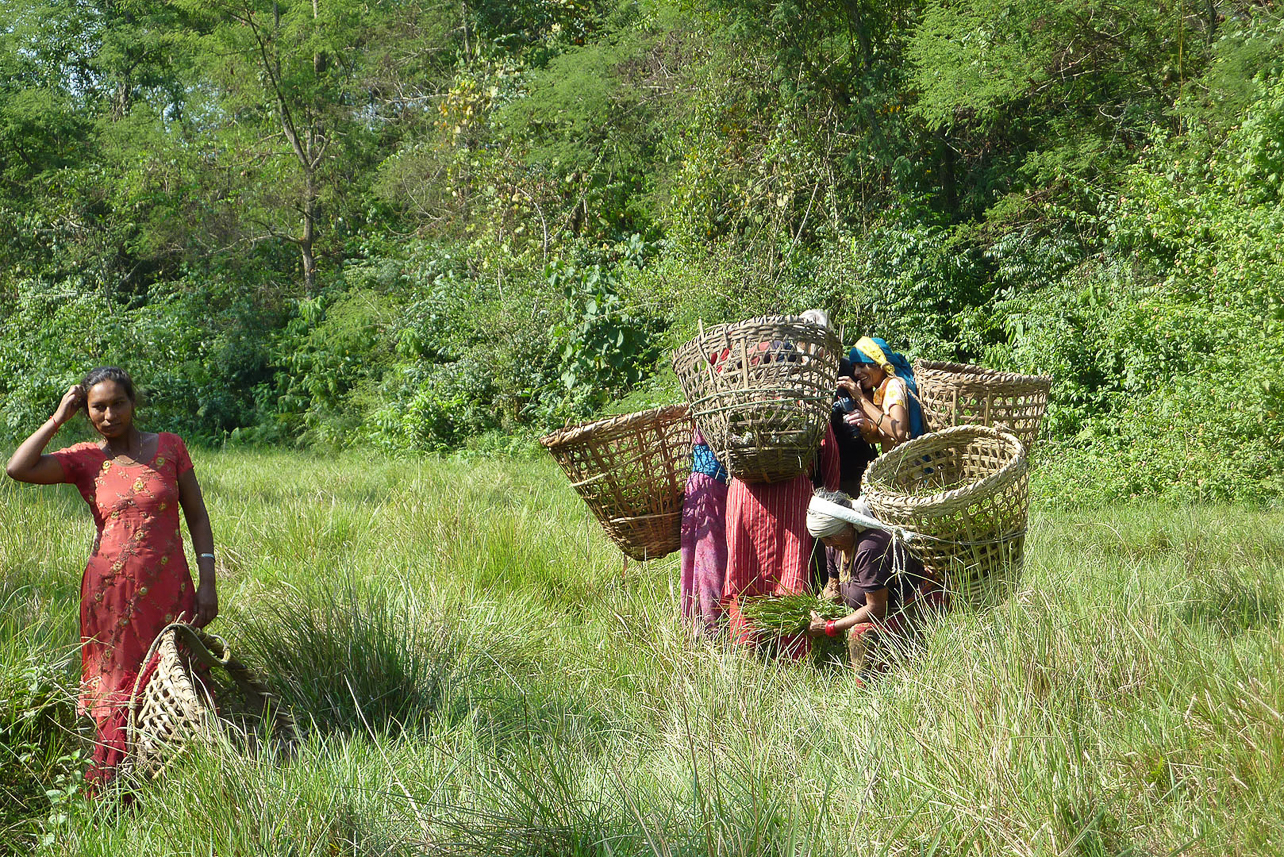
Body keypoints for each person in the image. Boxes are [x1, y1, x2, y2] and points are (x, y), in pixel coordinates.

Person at [5, 367, 218, 789]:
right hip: (111, 596)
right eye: (97, 407)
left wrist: (208, 579)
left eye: (117, 403)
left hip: (170, 588)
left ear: (132, 402)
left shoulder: (170, 447)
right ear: (86, 413)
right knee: (118, 686)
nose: (109, 414)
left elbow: (197, 515)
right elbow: (17, 468)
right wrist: (56, 420)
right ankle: (117, 784)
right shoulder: (85, 458)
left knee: (177, 675)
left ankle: (184, 776)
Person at [721, 310, 842, 656]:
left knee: (745, 574)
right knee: (789, 578)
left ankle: (747, 652)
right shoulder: (805, 397)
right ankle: (790, 656)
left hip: (744, 495)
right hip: (791, 497)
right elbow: (828, 450)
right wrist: (829, 497)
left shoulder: (742, 399)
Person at [804, 490, 940, 675]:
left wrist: (830, 627)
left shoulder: (869, 548)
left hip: (911, 607)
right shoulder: (834, 546)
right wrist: (811, 610)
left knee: (859, 633)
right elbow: (832, 587)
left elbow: (876, 608)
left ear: (849, 525)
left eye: (830, 536)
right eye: (823, 539)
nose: (827, 544)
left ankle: (871, 688)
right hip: (884, 610)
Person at [679, 430, 729, 635]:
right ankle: (712, 629)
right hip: (708, 486)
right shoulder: (710, 405)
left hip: (717, 485)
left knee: (715, 558)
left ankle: (715, 625)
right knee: (710, 560)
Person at [839, 336, 925, 453]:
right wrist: (865, 425)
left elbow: (898, 431)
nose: (856, 373)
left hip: (908, 465)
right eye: (854, 367)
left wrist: (862, 399)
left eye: (862, 365)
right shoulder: (881, 391)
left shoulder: (893, 386)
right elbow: (881, 436)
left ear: (879, 364)